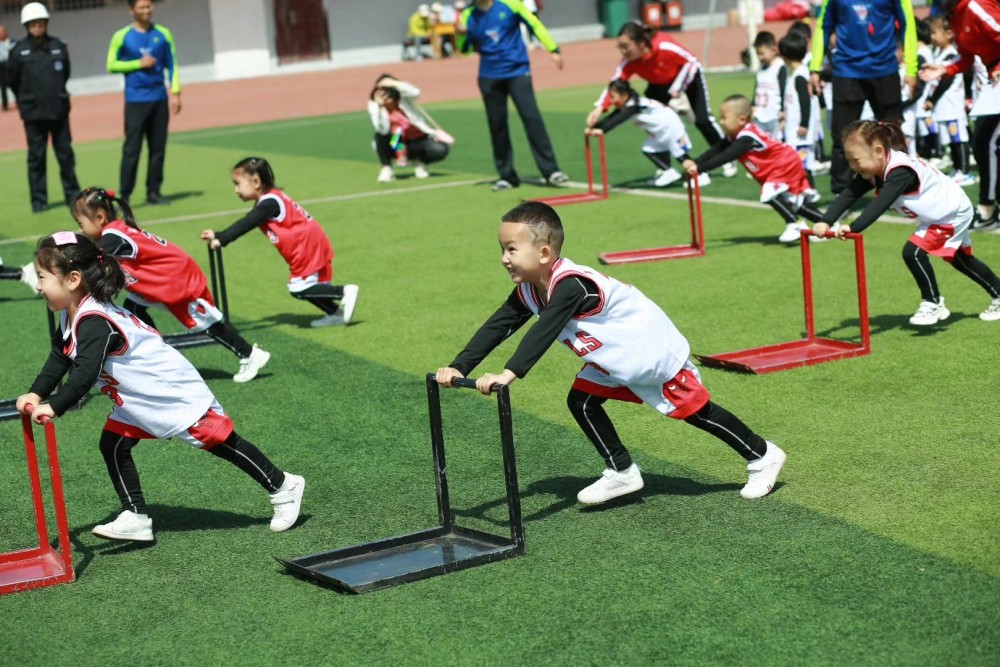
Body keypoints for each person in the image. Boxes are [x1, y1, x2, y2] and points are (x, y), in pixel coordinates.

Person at [435, 201, 786, 505]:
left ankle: (763, 455)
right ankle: (622, 470)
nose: (504, 259)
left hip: (648, 352)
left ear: (543, 253)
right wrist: (458, 365)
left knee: (695, 411)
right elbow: (499, 324)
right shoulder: (529, 289)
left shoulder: (570, 284)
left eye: (511, 249)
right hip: (615, 356)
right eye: (502, 249)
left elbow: (544, 331)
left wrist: (507, 374)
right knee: (582, 402)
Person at [17, 231, 305, 542]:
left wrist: (55, 405)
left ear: (73, 279)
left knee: (218, 441)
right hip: (139, 398)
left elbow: (85, 373)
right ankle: (136, 516)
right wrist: (36, 392)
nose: (38, 285)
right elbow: (60, 357)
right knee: (113, 444)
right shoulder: (71, 315)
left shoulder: (94, 322)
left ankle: (283, 485)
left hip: (169, 392)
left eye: (43, 277)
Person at [805, 120, 1000, 324]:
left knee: (913, 252)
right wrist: (826, 220)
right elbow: (850, 193)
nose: (853, 166)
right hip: (940, 213)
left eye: (856, 160)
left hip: (951, 213)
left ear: (878, 151)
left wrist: (853, 227)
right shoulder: (876, 168)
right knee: (961, 260)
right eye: (849, 161)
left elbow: (880, 203)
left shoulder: (900, 172)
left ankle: (933, 303)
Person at [71, 187, 271, 383]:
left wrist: (66, 263)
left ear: (100, 217)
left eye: (81, 223)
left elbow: (93, 259)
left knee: (207, 324)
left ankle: (250, 354)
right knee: (134, 307)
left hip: (176, 280)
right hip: (159, 281)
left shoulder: (113, 236)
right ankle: (157, 357)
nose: (81, 229)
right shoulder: (116, 231)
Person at [200, 157, 359, 328]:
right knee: (307, 286)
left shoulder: (269, 203)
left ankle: (344, 292)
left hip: (305, 247)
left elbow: (247, 223)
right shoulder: (269, 199)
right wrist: (219, 235)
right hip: (307, 245)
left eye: (238, 184)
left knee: (299, 288)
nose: (236, 190)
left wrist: (222, 239)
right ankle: (335, 313)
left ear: (256, 182)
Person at [588, 22, 738, 179]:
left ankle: (726, 158)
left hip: (688, 78)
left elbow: (692, 61)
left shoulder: (664, 46)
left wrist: (677, 89)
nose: (623, 52)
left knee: (702, 120)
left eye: (626, 46)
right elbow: (616, 83)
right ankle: (666, 168)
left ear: (641, 43)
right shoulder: (629, 61)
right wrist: (599, 108)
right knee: (655, 122)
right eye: (620, 47)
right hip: (659, 86)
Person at [457, 0, 569, 191]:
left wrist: (553, 49)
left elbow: (535, 24)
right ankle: (506, 176)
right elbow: (464, 49)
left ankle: (551, 171)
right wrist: (461, 34)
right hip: (489, 76)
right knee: (497, 125)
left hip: (517, 71)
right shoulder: (468, 15)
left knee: (531, 118)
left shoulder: (510, 4)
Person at [809, 0, 918, 194]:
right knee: (842, 136)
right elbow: (823, 27)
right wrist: (815, 67)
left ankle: (902, 188)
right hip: (846, 72)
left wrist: (911, 68)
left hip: (884, 70)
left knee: (892, 134)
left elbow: (908, 25)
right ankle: (842, 194)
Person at [682, 95, 825, 243]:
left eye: (724, 118)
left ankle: (793, 224)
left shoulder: (747, 137)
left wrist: (700, 168)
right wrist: (695, 162)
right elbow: (718, 149)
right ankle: (827, 223)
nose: (721, 122)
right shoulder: (735, 135)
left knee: (769, 193)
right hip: (782, 165)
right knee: (793, 202)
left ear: (742, 119)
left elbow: (727, 156)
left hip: (784, 164)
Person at [920, 0, 1000, 230]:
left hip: (996, 75)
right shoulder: (954, 15)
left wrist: (997, 68)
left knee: (985, 141)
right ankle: (989, 208)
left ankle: (987, 208)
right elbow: (966, 56)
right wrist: (944, 69)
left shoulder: (975, 6)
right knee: (985, 143)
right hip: (993, 80)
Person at [6, 2, 80, 213]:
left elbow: (65, 73)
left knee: (65, 155)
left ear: (46, 23)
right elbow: (12, 80)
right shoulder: (18, 51)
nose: (37, 26)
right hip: (34, 114)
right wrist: (27, 98)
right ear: (26, 26)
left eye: (40, 22)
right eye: (33, 23)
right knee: (36, 158)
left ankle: (72, 195)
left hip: (58, 110)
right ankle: (39, 200)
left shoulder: (58, 46)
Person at [106, 0, 181, 206]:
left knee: (158, 149)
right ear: (131, 10)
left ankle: (153, 192)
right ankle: (124, 195)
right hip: (135, 100)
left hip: (159, 98)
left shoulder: (163, 34)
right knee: (132, 150)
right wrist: (139, 63)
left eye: (149, 6)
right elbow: (111, 65)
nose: (146, 10)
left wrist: (175, 92)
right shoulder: (121, 36)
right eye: (141, 7)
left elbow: (172, 64)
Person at [586, 79, 706, 189]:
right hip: (659, 130)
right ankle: (669, 172)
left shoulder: (634, 105)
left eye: (613, 96)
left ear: (624, 94)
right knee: (649, 149)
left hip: (670, 126)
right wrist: (593, 127)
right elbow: (613, 117)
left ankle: (700, 175)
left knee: (680, 154)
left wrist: (601, 131)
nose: (611, 100)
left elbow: (618, 120)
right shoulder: (628, 104)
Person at [368, 74, 452, 183]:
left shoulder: (404, 99)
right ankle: (386, 167)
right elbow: (381, 129)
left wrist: (394, 83)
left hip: (416, 140)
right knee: (380, 136)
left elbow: (416, 92)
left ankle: (420, 162)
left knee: (439, 149)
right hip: (396, 144)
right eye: (381, 91)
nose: (385, 95)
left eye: (388, 90)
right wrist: (380, 107)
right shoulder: (374, 105)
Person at [924, 16, 974, 186]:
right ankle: (957, 168)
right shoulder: (940, 53)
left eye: (934, 33)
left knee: (958, 138)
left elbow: (947, 79)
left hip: (952, 105)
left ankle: (965, 171)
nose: (932, 36)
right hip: (944, 106)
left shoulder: (952, 53)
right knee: (951, 140)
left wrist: (932, 99)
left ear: (949, 34)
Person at [779, 32, 822, 199]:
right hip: (794, 130)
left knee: (803, 164)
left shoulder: (800, 76)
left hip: (801, 133)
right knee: (797, 164)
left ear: (785, 56)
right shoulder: (795, 74)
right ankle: (802, 192)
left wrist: (804, 124)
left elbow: (806, 102)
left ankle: (810, 192)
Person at [752, 31, 786, 138]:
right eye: (757, 54)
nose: (760, 57)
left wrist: (783, 111)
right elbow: (757, 89)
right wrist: (752, 105)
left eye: (762, 53)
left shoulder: (780, 67)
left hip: (775, 116)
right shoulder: (760, 69)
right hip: (760, 116)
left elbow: (784, 90)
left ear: (773, 50)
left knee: (776, 144)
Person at [0, 24, 14, 112]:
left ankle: (20, 103)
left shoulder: (12, 41)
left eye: (2, 32)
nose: (1, 34)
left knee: (15, 83)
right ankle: (5, 105)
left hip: (11, 65)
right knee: (3, 87)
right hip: (1, 66)